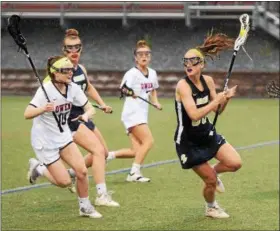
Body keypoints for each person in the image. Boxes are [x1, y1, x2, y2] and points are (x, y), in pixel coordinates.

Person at [30, 29, 119, 207]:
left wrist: (101, 104)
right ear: (64, 50)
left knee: (104, 153)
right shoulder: (54, 76)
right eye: (69, 48)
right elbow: (45, 102)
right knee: (98, 151)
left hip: (83, 116)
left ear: (81, 48)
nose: (74, 51)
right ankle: (100, 195)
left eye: (77, 47)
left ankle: (67, 171)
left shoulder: (81, 69)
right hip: (69, 121)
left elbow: (88, 87)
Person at [174, 33, 242, 218]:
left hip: (206, 133)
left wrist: (225, 98)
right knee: (211, 181)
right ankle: (211, 207)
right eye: (185, 61)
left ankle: (212, 172)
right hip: (188, 141)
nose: (189, 64)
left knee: (235, 163)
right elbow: (194, 114)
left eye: (194, 61)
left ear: (202, 64)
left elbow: (218, 111)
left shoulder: (208, 81)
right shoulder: (183, 86)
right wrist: (215, 101)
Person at [26, 56, 102, 218]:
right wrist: (43, 109)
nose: (70, 73)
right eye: (66, 70)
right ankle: (39, 167)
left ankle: (85, 207)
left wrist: (86, 115)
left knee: (81, 171)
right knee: (64, 182)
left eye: (71, 70)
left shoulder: (73, 88)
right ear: (55, 73)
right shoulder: (44, 90)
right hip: (45, 141)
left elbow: (89, 108)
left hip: (63, 135)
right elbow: (27, 113)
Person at [106, 40, 162, 182]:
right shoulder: (132, 74)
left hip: (142, 114)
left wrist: (155, 102)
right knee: (148, 141)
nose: (144, 57)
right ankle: (134, 173)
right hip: (132, 114)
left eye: (147, 54)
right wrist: (131, 93)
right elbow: (123, 88)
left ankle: (108, 156)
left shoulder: (153, 73)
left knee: (136, 151)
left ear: (150, 57)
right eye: (140, 54)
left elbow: (152, 90)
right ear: (135, 57)